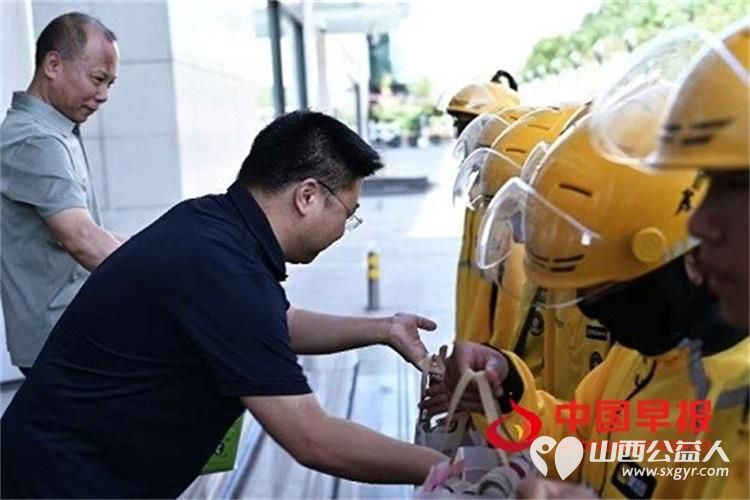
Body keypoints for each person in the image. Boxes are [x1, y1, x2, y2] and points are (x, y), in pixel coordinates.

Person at [0, 111, 445, 498]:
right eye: (348, 214)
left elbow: (274, 323)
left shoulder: (211, 226)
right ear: (307, 196)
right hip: (60, 483)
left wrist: (384, 329)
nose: (344, 228)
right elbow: (312, 437)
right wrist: (449, 468)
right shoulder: (224, 269)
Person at [433, 112, 748, 498]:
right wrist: (509, 394)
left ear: (686, 259)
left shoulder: (734, 403)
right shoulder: (642, 354)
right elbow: (575, 440)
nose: (590, 309)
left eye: (606, 288)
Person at [1, 12, 123, 375]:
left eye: (110, 84)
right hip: (63, 343)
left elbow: (91, 233)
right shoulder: (35, 140)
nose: (103, 96)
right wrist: (169, 277)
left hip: (75, 334)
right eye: (97, 79)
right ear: (53, 65)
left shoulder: (56, 132)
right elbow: (82, 239)